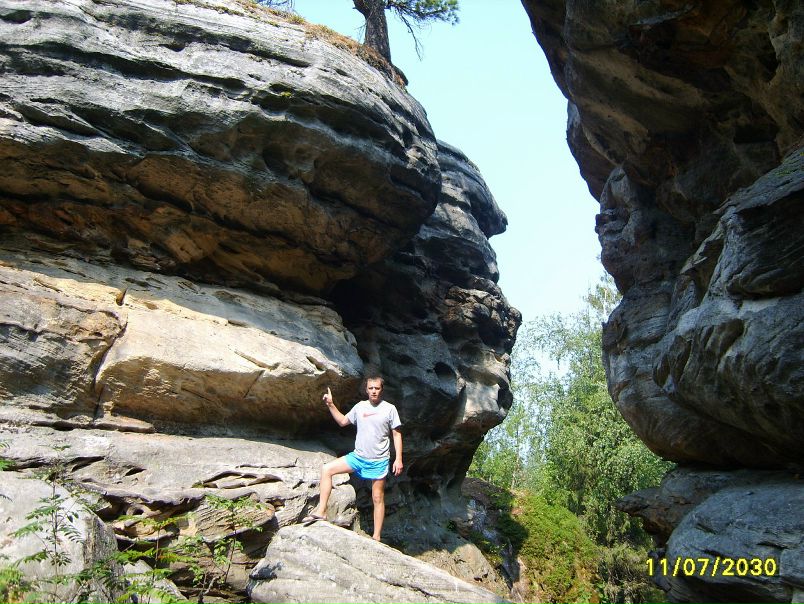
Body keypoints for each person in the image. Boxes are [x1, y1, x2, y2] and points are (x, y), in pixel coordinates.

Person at [303, 376, 403, 541]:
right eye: (371, 388)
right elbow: (343, 421)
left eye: (377, 388)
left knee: (377, 497)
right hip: (358, 457)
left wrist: (398, 459)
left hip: (378, 460)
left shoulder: (389, 409)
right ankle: (321, 511)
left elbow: (397, 434)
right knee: (327, 469)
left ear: (382, 390)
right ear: (366, 390)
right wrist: (330, 404)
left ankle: (376, 536)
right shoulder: (360, 406)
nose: (374, 391)